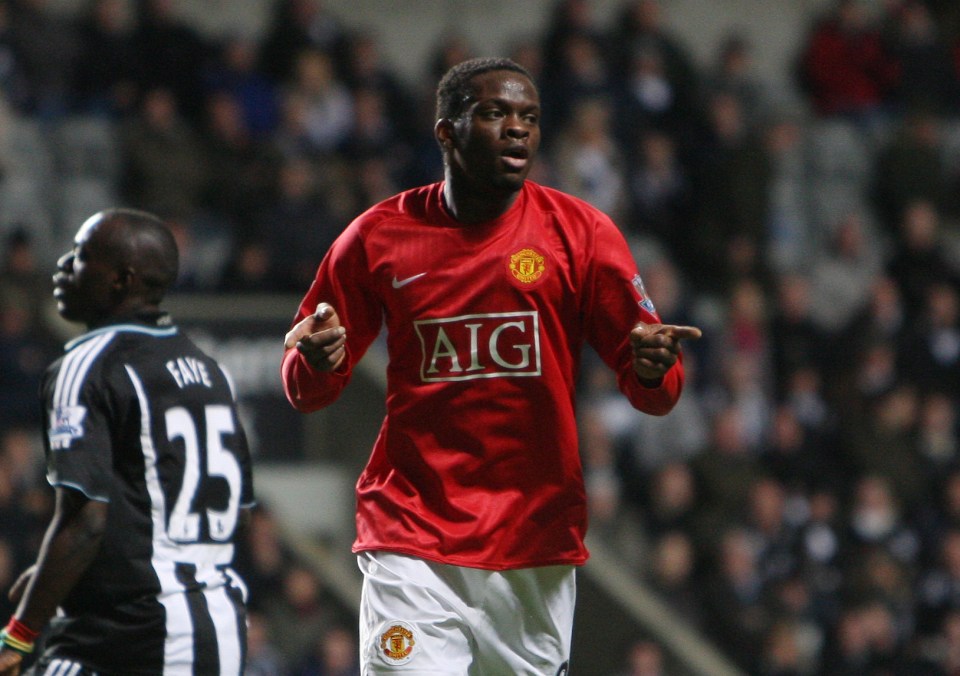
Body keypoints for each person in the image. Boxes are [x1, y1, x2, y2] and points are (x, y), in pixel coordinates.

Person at [281, 56, 701, 674]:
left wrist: (649, 366)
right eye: (495, 114)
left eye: (528, 117)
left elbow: (659, 393)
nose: (517, 130)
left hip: (534, 541)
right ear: (446, 132)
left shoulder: (580, 234)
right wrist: (316, 361)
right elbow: (305, 388)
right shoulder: (379, 237)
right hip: (412, 535)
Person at [0, 209, 255, 675]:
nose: (63, 266)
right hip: (217, 630)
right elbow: (230, 508)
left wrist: (18, 634)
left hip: (126, 637)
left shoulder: (87, 365)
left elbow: (86, 522)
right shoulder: (209, 371)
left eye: (81, 256)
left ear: (120, 279)